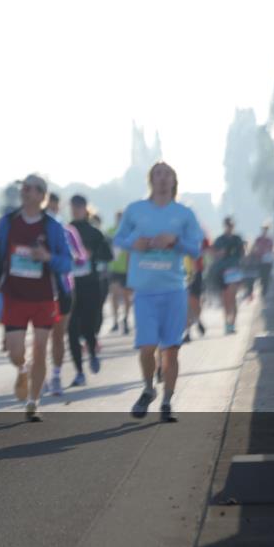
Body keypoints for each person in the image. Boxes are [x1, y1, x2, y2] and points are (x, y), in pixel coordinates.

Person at [114, 161, 203, 423]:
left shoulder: (184, 213)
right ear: (150, 180)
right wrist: (135, 243)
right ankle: (149, 389)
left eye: (167, 175)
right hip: (145, 291)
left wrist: (175, 241)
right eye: (157, 174)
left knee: (171, 349)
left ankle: (167, 402)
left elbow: (196, 249)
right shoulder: (135, 210)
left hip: (173, 290)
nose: (162, 179)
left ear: (174, 181)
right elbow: (119, 239)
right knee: (146, 347)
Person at [0, 174, 72, 417]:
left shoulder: (53, 227)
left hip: (44, 296)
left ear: (42, 195)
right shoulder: (8, 221)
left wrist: (47, 258)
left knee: (40, 348)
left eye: (32, 188)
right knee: (15, 352)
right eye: (24, 187)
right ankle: (22, 371)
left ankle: (33, 402)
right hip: (14, 295)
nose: (25, 191)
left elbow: (67, 263)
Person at [68, 195, 113, 381]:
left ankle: (93, 353)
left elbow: (108, 256)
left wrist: (92, 253)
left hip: (91, 284)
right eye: (74, 206)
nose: (76, 209)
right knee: (71, 329)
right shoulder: (66, 230)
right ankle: (79, 372)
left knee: (88, 327)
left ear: (86, 208)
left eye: (80, 206)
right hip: (70, 286)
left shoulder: (95, 232)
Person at [45, 192, 86, 391]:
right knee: (41, 335)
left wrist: (74, 257)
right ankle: (40, 372)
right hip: (40, 289)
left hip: (64, 289)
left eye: (54, 208)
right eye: (48, 208)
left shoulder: (67, 230)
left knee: (58, 335)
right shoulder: (37, 230)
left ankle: (56, 375)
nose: (51, 212)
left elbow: (81, 257)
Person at [212, 217, 246, 334]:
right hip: (222, 271)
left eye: (231, 225)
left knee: (232, 297)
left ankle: (232, 323)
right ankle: (227, 323)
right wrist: (219, 253)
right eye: (227, 225)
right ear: (224, 225)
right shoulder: (219, 240)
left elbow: (243, 254)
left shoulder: (237, 239)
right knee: (225, 299)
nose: (229, 227)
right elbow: (213, 254)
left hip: (234, 270)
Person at [107, 210, 132, 334]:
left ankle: (126, 319)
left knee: (127, 297)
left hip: (126, 270)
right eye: (118, 218)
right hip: (114, 269)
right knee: (114, 295)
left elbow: (131, 252)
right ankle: (115, 321)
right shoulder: (110, 232)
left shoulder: (129, 233)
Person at [250, 223, 274, 297]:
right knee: (261, 275)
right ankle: (262, 288)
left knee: (266, 276)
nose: (265, 231)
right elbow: (254, 248)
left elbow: (272, 249)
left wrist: (269, 253)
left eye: (266, 230)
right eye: (264, 230)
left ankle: (265, 290)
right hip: (260, 260)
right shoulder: (258, 239)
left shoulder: (270, 240)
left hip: (267, 261)